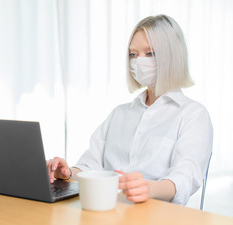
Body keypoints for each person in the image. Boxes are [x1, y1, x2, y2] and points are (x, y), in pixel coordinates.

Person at [47, 14, 213, 206]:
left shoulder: (193, 115)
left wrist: (148, 188)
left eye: (149, 53)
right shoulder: (120, 114)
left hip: (157, 220)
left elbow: (186, 176)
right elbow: (91, 165)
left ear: (172, 57)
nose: (138, 61)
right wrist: (67, 174)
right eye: (133, 54)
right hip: (107, 211)